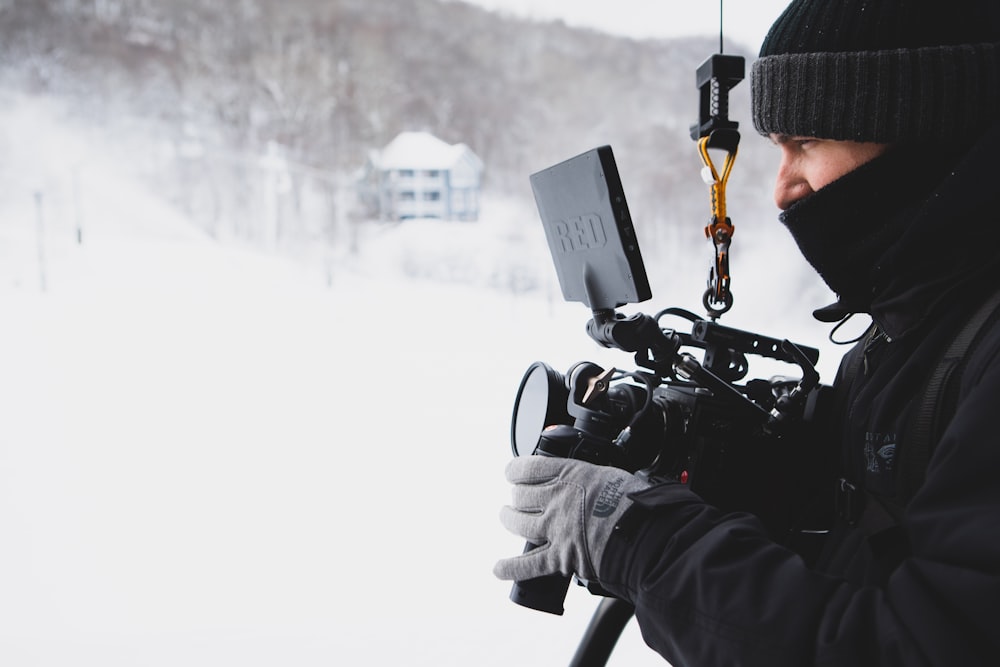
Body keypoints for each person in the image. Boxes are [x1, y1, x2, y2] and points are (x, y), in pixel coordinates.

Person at [494, 0, 1000, 664]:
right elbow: (871, 520)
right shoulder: (910, 323)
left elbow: (916, 643)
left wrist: (644, 541)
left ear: (916, 128)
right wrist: (745, 471)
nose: (782, 188)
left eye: (805, 144)